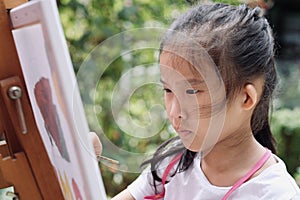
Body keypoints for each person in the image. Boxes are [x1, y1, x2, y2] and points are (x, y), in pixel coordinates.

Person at [111, 3, 300, 200]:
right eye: (168, 90)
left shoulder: (275, 193)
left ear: (246, 98)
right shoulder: (172, 164)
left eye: (192, 91)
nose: (175, 112)